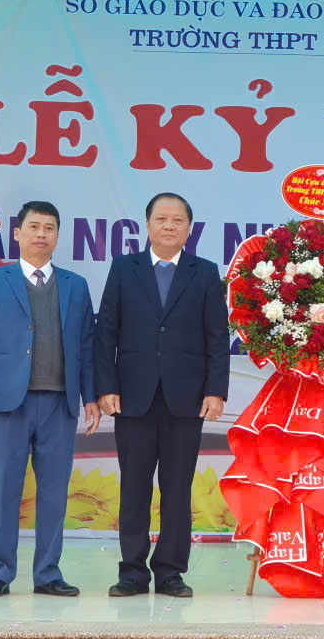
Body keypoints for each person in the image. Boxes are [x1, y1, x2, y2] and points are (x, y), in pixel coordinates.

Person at [0, 200, 99, 598]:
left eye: (49, 227)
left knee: (54, 493)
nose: (41, 234)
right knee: (4, 490)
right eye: (33, 226)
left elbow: (87, 346)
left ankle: (48, 573)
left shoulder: (75, 285)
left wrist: (90, 396)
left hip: (59, 404)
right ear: (17, 234)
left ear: (57, 236)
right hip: (7, 403)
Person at [96, 192, 229, 599]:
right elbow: (106, 332)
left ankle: (170, 571)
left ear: (189, 228)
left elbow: (217, 338)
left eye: (177, 220)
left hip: (186, 399)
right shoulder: (124, 268)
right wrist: (106, 386)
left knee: (177, 489)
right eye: (161, 218)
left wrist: (215, 391)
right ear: (148, 225)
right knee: (134, 488)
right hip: (132, 397)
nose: (169, 225)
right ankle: (132, 572)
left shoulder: (205, 273)